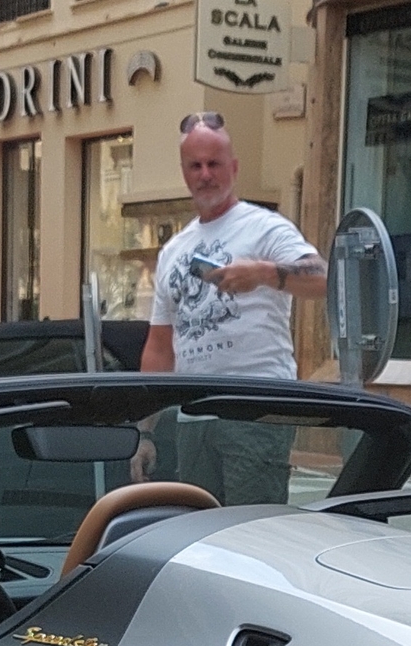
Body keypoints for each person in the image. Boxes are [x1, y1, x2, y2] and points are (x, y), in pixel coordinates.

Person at [141, 114, 325, 503]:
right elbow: (159, 346)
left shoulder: (265, 228)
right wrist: (144, 432)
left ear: (234, 168)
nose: (206, 174)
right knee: (202, 539)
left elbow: (323, 277)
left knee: (252, 538)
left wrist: (263, 273)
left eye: (215, 164)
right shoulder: (174, 250)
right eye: (196, 165)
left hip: (255, 410)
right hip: (193, 419)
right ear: (185, 172)